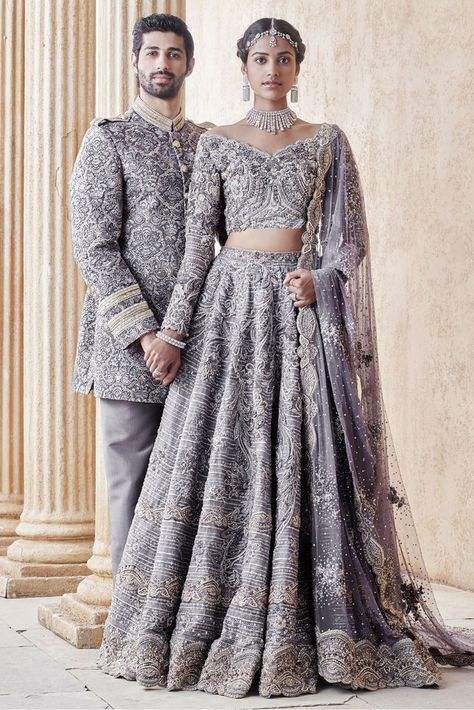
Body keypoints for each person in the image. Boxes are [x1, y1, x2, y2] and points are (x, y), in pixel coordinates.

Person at [97, 17, 474, 699]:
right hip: (227, 313)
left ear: (299, 67)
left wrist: (320, 279)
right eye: (260, 58)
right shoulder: (216, 143)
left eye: (284, 58)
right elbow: (198, 247)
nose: (272, 70)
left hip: (298, 315)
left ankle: (307, 620)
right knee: (225, 458)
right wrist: (172, 333)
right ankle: (200, 619)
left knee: (304, 454)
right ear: (242, 68)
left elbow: (351, 243)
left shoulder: (328, 141)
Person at [70, 14, 208, 576]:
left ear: (189, 64)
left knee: (195, 483)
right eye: (151, 53)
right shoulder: (109, 140)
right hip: (130, 348)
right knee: (130, 482)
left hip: (201, 337)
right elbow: (94, 248)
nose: (162, 64)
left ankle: (180, 612)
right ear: (134, 62)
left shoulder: (207, 144)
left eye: (173, 54)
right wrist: (149, 336)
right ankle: (131, 613)